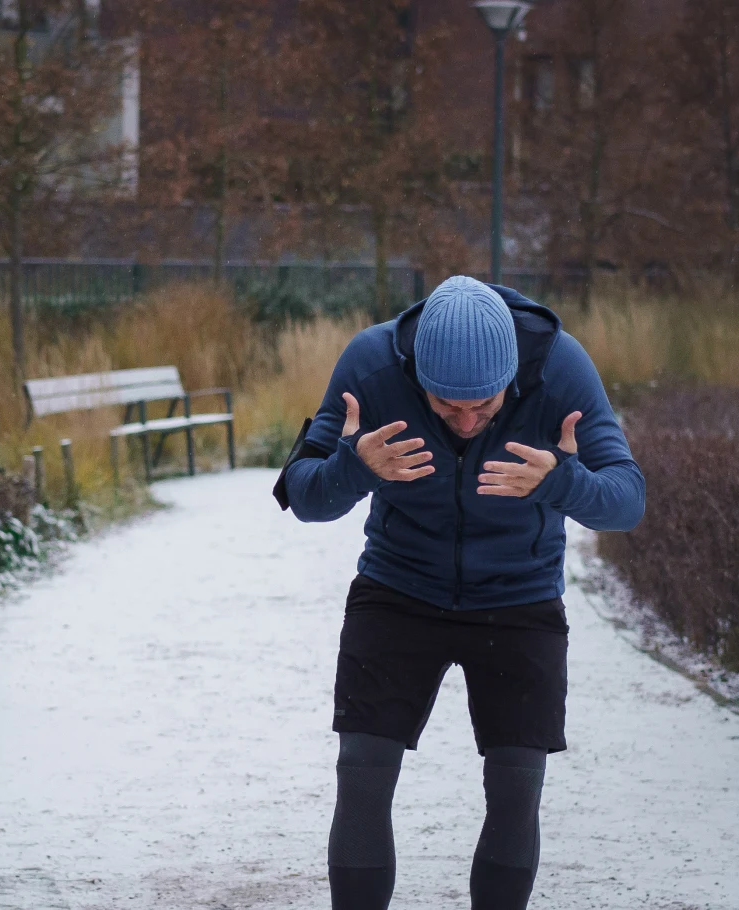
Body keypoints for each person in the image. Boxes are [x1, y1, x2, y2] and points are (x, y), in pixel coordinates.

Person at [274, 275, 645, 910]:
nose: (469, 422)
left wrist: (561, 482)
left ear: (512, 376)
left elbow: (628, 500)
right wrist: (353, 468)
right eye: (447, 407)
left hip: (520, 597)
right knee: (362, 775)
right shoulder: (371, 364)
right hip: (398, 588)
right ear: (417, 376)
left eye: (485, 405)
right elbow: (303, 495)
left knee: (516, 787)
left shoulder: (559, 368)